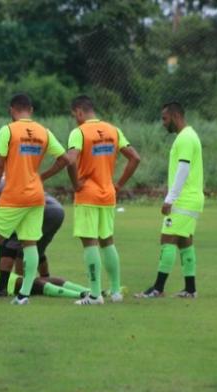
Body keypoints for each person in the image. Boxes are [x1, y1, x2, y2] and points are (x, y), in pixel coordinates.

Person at [0, 93, 69, 305]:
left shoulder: (7, 130)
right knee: (29, 245)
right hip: (36, 197)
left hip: (13, 195)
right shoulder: (44, 132)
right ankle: (23, 295)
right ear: (31, 110)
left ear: (12, 110)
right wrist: (42, 176)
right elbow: (64, 159)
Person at [66, 95, 141, 305]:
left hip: (87, 195)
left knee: (90, 242)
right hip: (108, 194)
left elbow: (70, 160)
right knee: (107, 241)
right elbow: (135, 157)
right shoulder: (113, 130)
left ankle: (95, 294)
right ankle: (116, 291)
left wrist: (75, 184)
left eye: (74, 115)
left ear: (80, 112)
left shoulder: (79, 132)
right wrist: (118, 185)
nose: (75, 119)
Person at [135, 102, 204, 299]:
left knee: (167, 239)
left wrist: (170, 199)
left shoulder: (185, 139)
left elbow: (183, 169)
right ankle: (190, 289)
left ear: (175, 116)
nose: (163, 123)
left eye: (165, 119)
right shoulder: (190, 136)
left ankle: (158, 288)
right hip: (192, 198)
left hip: (184, 199)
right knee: (184, 241)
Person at [0, 171, 70, 296]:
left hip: (42, 210)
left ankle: (11, 287)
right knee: (33, 249)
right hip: (56, 211)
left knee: (13, 249)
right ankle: (43, 280)